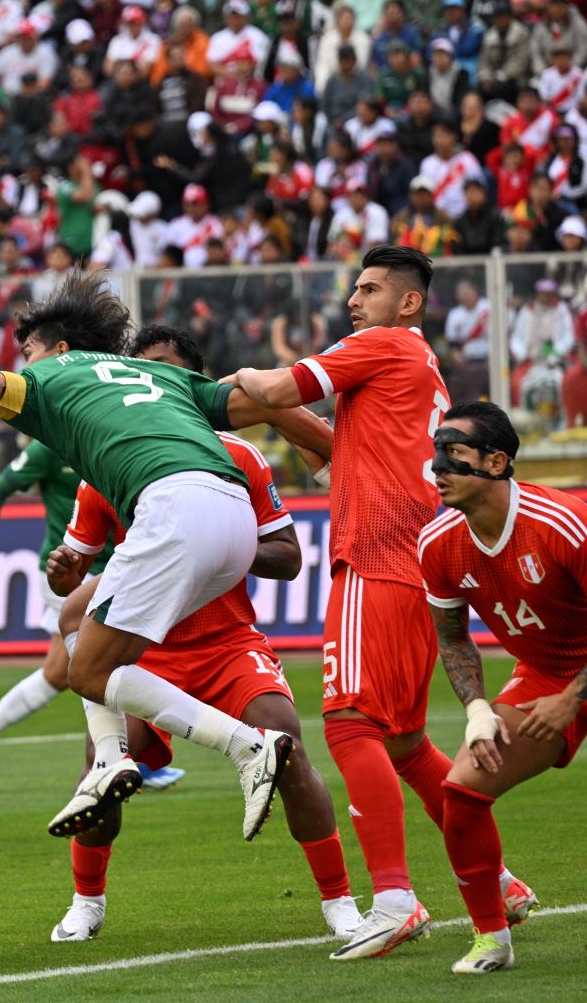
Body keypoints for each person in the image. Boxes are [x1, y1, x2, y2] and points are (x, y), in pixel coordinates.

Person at [0, 272, 333, 841]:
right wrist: (341, 454)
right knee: (74, 621)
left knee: (86, 670)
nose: (22, 363)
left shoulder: (48, 379)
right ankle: (110, 759)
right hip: (234, 519)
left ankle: (246, 747)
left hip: (171, 506)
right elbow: (261, 400)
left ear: (60, 349)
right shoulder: (161, 374)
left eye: (28, 351)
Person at [225, 246, 534, 959]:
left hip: (378, 553)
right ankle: (501, 883)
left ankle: (393, 897)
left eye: (368, 289)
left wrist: (196, 388)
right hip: (416, 558)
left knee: (347, 725)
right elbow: (329, 444)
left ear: (408, 302)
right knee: (400, 740)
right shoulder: (409, 366)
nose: (353, 301)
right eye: (355, 290)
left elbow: (273, 388)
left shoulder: (381, 343)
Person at [44, 326, 359, 944]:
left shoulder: (238, 457)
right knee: (100, 768)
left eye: (164, 368)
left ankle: (339, 901)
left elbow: (288, 556)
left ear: (194, 383)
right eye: (141, 369)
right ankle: (87, 902)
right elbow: (71, 582)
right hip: (146, 651)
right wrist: (64, 570)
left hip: (226, 643)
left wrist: (206, 544)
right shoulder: (103, 465)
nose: (150, 380)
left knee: (286, 744)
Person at [420, 402, 587, 974]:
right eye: (435, 454)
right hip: (544, 676)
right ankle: (492, 939)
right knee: (462, 792)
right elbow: (453, 639)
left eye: (453, 454)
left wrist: (573, 697)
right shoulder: (438, 543)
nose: (437, 467)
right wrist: (478, 708)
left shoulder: (565, 524)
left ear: (497, 462)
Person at [0, 438, 190, 792]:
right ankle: (125, 756)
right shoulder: (48, 447)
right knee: (107, 663)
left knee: (59, 672)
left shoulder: (119, 442)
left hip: (115, 570)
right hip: (66, 573)